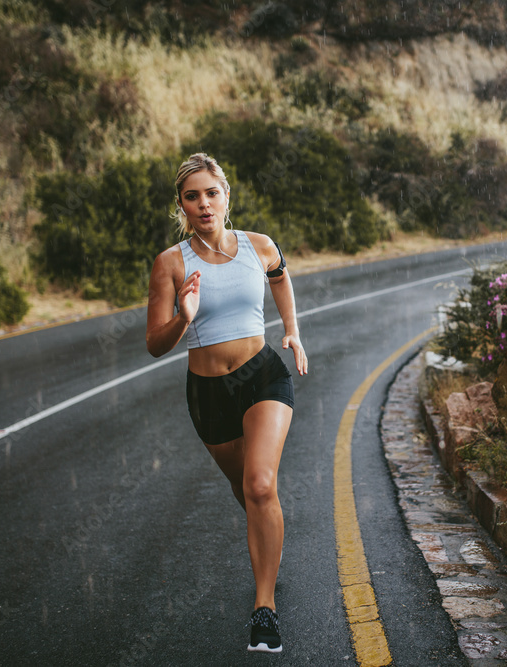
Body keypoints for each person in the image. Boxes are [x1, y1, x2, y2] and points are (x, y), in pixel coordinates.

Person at [145, 153, 307, 653]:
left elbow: (280, 277)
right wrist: (184, 317)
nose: (203, 203)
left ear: (226, 195)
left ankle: (265, 608)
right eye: (192, 196)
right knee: (247, 492)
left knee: (260, 485)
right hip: (208, 394)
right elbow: (154, 342)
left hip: (263, 377)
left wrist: (292, 331)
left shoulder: (258, 246)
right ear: (182, 206)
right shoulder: (171, 263)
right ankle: (269, 539)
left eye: (211, 192)